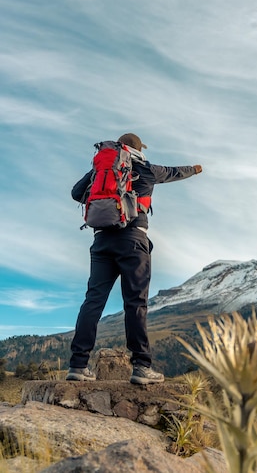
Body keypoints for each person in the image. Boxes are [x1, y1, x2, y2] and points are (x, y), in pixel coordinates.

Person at [66, 133, 202, 384]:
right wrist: (194, 169)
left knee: (93, 301)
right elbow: (174, 172)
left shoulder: (100, 169)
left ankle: (78, 365)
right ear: (139, 150)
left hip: (101, 241)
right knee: (135, 303)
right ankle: (141, 367)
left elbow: (76, 193)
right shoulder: (145, 168)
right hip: (133, 240)